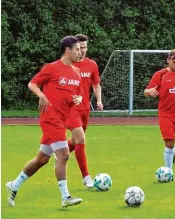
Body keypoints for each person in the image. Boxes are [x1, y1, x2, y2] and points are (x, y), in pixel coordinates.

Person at [5, 36, 84, 208]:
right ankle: (65, 197)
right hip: (50, 118)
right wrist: (41, 95)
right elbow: (32, 84)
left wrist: (76, 99)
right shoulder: (52, 68)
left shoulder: (77, 73)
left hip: (62, 120)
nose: (81, 52)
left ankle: (14, 185)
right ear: (67, 50)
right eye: (77, 49)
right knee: (63, 155)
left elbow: (74, 95)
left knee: (42, 159)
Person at [63, 34, 103, 189]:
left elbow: (96, 85)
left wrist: (98, 100)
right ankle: (86, 177)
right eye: (80, 48)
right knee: (80, 140)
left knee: (75, 141)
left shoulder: (92, 65)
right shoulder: (67, 65)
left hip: (85, 109)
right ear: (74, 49)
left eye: (85, 47)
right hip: (71, 109)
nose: (83, 51)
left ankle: (60, 152)